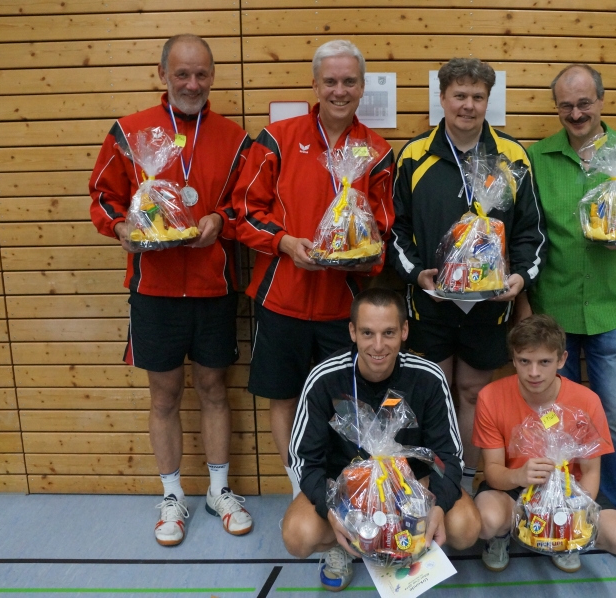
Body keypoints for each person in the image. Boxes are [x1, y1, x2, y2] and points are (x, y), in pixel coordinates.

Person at [89, 34, 252, 546]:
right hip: (154, 290)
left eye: (201, 74)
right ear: (163, 74)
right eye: (182, 73)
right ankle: (172, 496)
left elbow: (246, 205)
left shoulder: (234, 138)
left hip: (213, 287)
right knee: (163, 395)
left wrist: (219, 220)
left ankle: (219, 490)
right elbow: (103, 197)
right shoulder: (128, 131)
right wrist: (122, 227)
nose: (192, 83)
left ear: (212, 76)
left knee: (213, 389)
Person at [232, 40, 395, 496]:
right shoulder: (277, 139)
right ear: (315, 84)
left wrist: (363, 253)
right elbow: (243, 212)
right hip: (280, 297)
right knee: (284, 397)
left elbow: (383, 226)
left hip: (344, 307)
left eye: (349, 82)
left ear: (362, 87)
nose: (339, 90)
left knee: (345, 404)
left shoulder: (377, 151)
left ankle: (344, 491)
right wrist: (284, 243)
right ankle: (300, 492)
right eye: (331, 81)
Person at [390, 58, 547, 496]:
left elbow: (532, 232)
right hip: (430, 302)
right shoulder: (415, 155)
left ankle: (465, 486)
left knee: (475, 393)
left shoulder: (512, 156)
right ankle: (432, 489)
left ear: (487, 101)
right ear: (442, 98)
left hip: (491, 306)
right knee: (433, 391)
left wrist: (520, 280)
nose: (468, 105)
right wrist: (417, 275)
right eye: (459, 95)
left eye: (478, 97)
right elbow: (396, 230)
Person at [526, 63, 616, 508]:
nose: (576, 113)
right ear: (556, 107)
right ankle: (560, 507)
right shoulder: (538, 158)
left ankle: (604, 509)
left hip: (613, 308)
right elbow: (527, 230)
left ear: (602, 101)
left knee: (613, 417)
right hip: (554, 309)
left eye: (584, 103)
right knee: (556, 419)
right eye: (566, 105)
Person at [283, 287, 482, 591]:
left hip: (414, 489)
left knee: (466, 528)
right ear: (352, 332)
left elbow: (448, 456)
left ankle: (409, 539)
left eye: (388, 332)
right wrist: (332, 510)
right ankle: (343, 545)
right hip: (346, 492)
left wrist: (438, 505)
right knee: (297, 535)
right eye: (368, 333)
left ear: (404, 331)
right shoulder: (324, 378)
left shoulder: (428, 376)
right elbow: (304, 460)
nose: (378, 345)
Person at [473, 315, 616, 574]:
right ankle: (501, 536)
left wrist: (572, 513)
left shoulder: (587, 401)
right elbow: (492, 470)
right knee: (486, 521)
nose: (534, 372)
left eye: (544, 362)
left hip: (572, 490)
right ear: (513, 359)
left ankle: (567, 539)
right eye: (524, 361)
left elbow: (591, 471)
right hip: (514, 487)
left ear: (561, 360)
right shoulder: (490, 397)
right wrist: (519, 475)